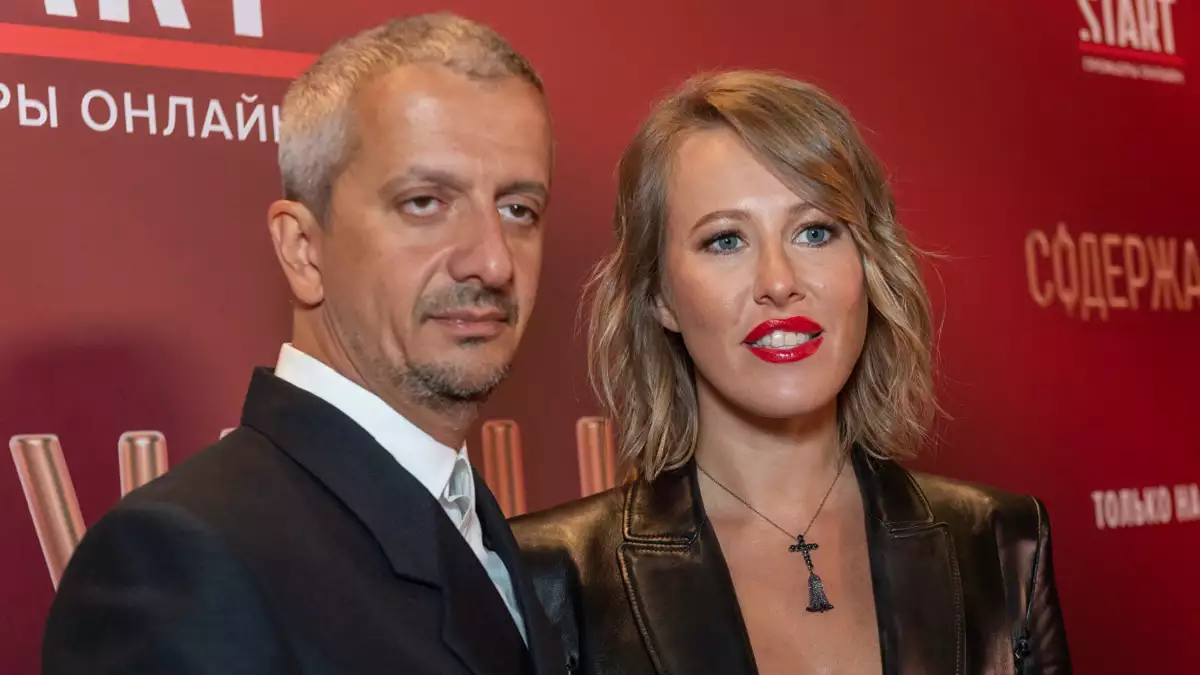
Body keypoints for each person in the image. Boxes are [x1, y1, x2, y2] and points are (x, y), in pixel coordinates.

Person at [43, 13, 564, 675]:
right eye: (425, 202)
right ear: (302, 250)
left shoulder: (476, 520)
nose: (492, 262)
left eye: (518, 209)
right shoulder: (180, 562)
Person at [512, 71, 1072, 675]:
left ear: (869, 266)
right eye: (726, 241)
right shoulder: (546, 576)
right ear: (659, 296)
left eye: (814, 232)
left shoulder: (1002, 542)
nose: (779, 282)